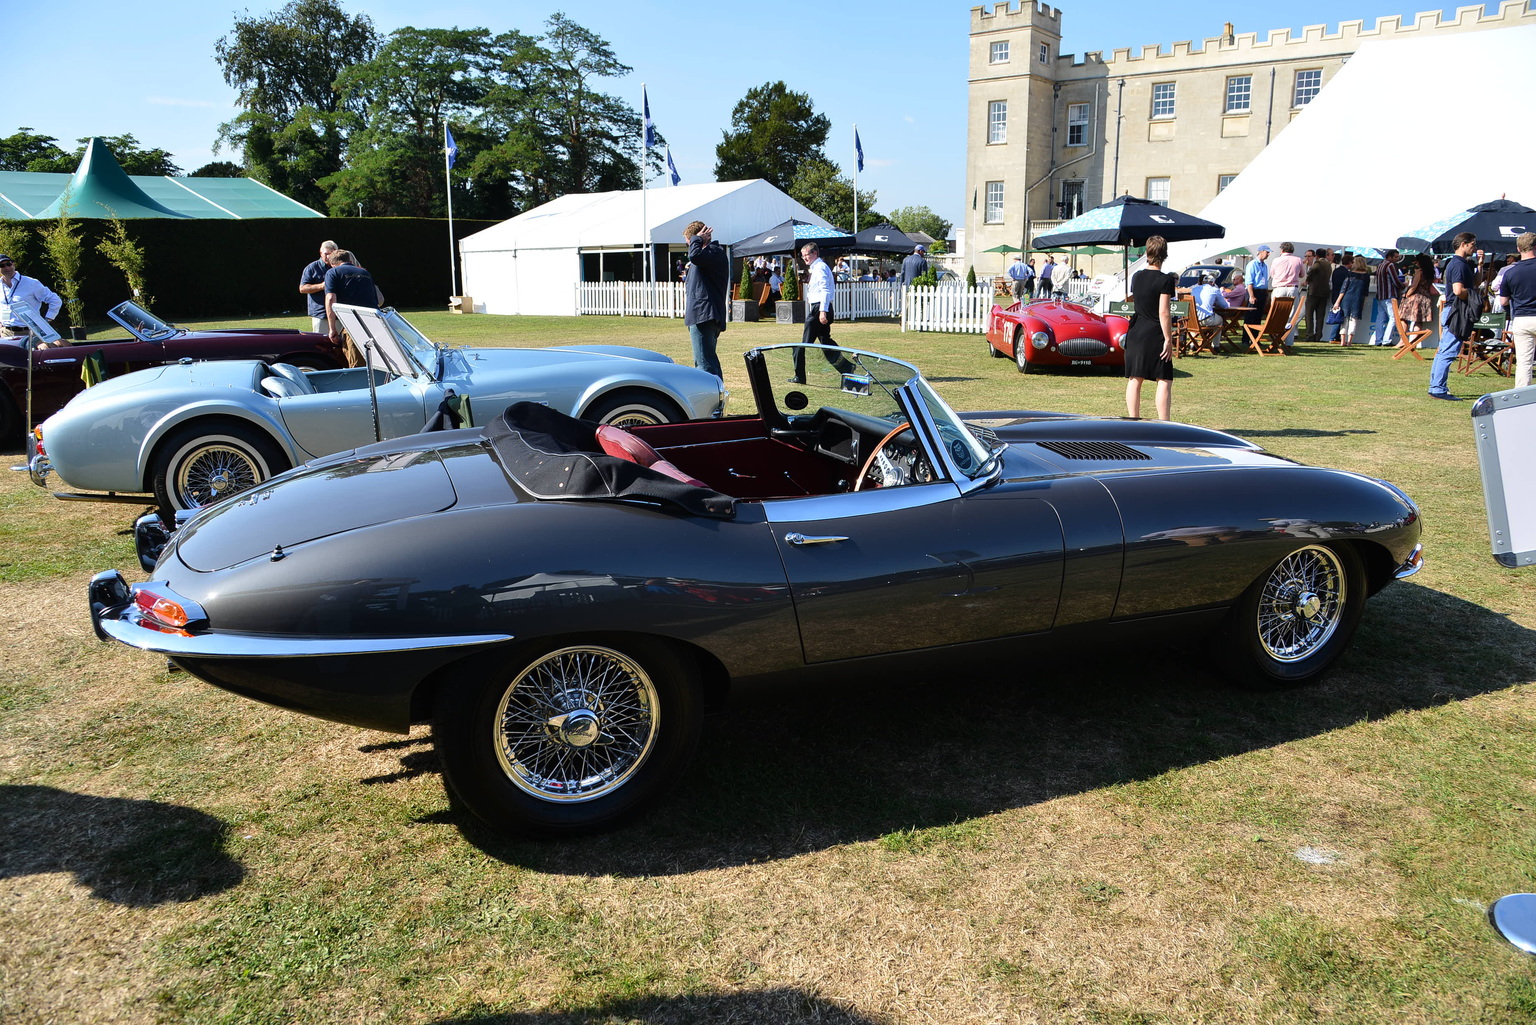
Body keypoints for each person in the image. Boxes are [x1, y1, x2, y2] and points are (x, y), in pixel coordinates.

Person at [1123, 235, 1176, 421]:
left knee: (1135, 378)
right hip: (1155, 332)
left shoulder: (1136, 277)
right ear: (1164, 254)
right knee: (1164, 379)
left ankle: (1133, 420)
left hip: (1136, 330)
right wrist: (1168, 339)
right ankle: (1164, 422)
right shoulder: (1166, 280)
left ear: (1147, 252)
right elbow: (1164, 312)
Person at [1427, 232, 1482, 400]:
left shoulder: (1462, 263)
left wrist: (1480, 265)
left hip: (1452, 310)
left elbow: (1476, 282)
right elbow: (1458, 290)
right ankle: (1438, 389)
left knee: (1444, 349)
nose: (1475, 247)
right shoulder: (1458, 264)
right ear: (1463, 244)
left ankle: (1436, 386)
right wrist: (1473, 297)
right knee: (1448, 350)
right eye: (1473, 244)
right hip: (1456, 311)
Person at [790, 242, 847, 383]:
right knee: (826, 342)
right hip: (820, 307)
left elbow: (825, 290)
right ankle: (848, 369)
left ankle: (800, 376)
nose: (804, 258)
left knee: (802, 345)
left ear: (815, 253)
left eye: (806, 255)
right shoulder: (818, 267)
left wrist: (822, 311)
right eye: (802, 256)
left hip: (819, 309)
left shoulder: (820, 267)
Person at [681, 220, 727, 379]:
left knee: (705, 366)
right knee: (707, 361)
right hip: (703, 314)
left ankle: (714, 399)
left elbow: (694, 256)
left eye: (690, 242)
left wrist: (697, 239)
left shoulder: (713, 252)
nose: (690, 246)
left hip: (704, 315)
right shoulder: (709, 255)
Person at [323, 250, 380, 357]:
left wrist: (332, 328)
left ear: (332, 264)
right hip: (373, 321)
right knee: (375, 357)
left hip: (352, 322)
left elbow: (330, 298)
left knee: (356, 359)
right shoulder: (365, 273)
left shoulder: (333, 272)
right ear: (349, 261)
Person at [1499, 232, 1536, 388]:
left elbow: (1503, 301)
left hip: (1521, 318)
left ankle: (1522, 398)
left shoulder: (1510, 272)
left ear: (1518, 249)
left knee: (1524, 362)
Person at [0, 254, 64, 344]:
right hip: (6, 333)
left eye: (8, 264)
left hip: (29, 332)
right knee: (8, 358)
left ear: (13, 265)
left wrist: (46, 320)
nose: (7, 268)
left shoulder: (31, 283)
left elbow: (55, 300)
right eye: (2, 265)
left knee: (32, 357)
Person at [299, 240, 339, 334]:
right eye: (326, 254)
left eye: (332, 254)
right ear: (320, 253)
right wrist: (322, 286)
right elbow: (302, 288)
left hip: (340, 313)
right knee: (321, 344)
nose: (329, 257)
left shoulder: (339, 268)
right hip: (321, 314)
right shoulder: (312, 268)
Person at [1269, 242, 1305, 343]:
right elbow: (1302, 274)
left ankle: (1275, 339)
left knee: (1276, 314)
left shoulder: (1276, 260)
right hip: (1292, 288)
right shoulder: (1298, 260)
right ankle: (1288, 341)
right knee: (1292, 316)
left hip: (1279, 288)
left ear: (1282, 250)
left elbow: (1272, 274)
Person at [1332, 255, 1373, 345]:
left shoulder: (1350, 274)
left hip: (1347, 298)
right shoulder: (1366, 276)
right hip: (1358, 299)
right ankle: (1349, 341)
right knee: (1354, 320)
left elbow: (1343, 289)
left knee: (1344, 319)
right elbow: (1366, 291)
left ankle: (1342, 340)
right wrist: (1364, 302)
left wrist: (1337, 302)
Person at [1369, 250, 1403, 346]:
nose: (1397, 259)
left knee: (1380, 319)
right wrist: (1403, 285)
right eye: (1396, 257)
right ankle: (1386, 340)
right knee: (1393, 318)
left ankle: (1378, 340)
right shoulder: (1390, 266)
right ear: (1390, 257)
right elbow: (1395, 281)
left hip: (1380, 295)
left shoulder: (1380, 265)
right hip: (1389, 295)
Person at [1191, 271, 1230, 352]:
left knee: (1195, 320)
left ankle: (1192, 343)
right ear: (1212, 282)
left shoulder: (1194, 289)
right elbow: (1225, 306)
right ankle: (1216, 345)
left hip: (1193, 320)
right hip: (1207, 320)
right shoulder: (1214, 290)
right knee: (1220, 320)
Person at [1304, 248, 1333, 342]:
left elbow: (1310, 271)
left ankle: (1310, 334)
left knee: (1309, 315)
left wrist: (1308, 278)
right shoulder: (1328, 264)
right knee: (1320, 316)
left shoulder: (1318, 263)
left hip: (1314, 292)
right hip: (1324, 293)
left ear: (1316, 256)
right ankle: (1318, 334)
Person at [1244, 244, 1271, 325]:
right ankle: (1246, 337)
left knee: (1258, 316)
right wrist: (1251, 296)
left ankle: (1255, 336)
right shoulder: (1252, 264)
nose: (1268, 254)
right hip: (1254, 291)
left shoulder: (1265, 266)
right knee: (1250, 315)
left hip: (1262, 292)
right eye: (1267, 252)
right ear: (1261, 252)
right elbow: (1249, 281)